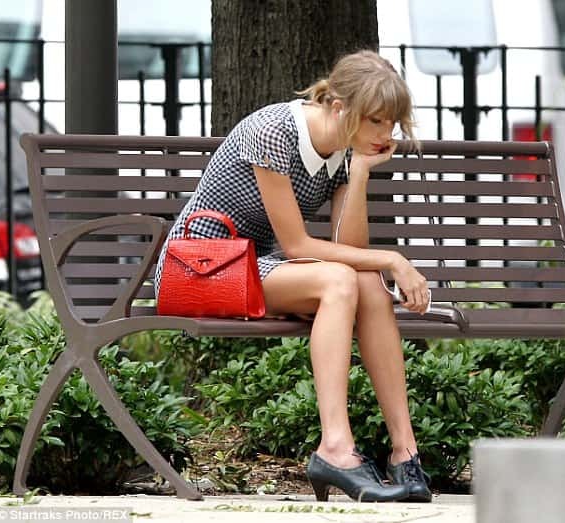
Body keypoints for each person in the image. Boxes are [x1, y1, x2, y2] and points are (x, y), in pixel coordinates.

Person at [154, 50, 432, 503]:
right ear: (340, 107)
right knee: (342, 280)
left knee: (362, 281)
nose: (385, 135)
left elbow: (350, 246)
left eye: (391, 124)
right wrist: (395, 260)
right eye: (376, 122)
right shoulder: (273, 132)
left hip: (256, 266)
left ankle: (405, 452)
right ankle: (336, 448)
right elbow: (300, 246)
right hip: (201, 266)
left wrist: (359, 171)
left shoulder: (347, 148)